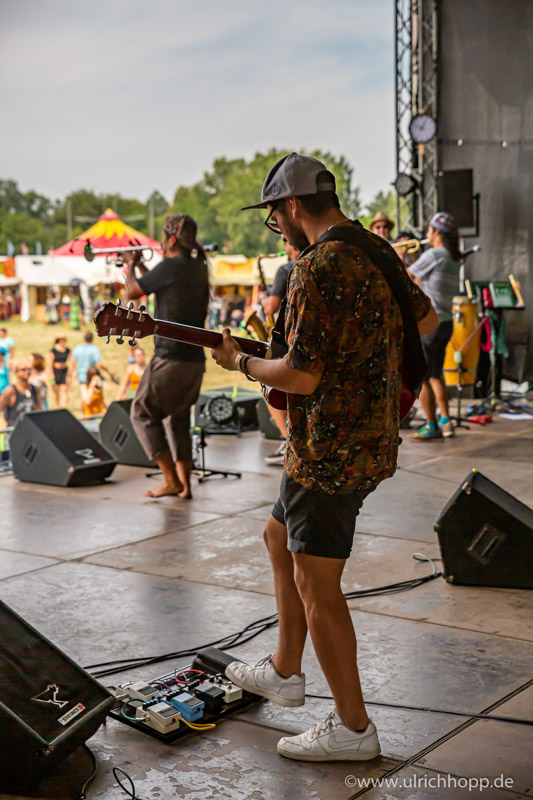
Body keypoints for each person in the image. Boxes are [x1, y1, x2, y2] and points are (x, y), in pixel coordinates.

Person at [212, 152, 437, 762]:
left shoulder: (314, 267)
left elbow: (301, 375)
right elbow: (426, 317)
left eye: (274, 215)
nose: (276, 226)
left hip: (330, 450)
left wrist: (241, 362)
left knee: (317, 583)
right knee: (277, 534)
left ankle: (354, 730)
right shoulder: (374, 247)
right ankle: (286, 668)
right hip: (367, 435)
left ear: (291, 205)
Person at [125, 214, 210, 499]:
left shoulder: (170, 266)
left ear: (172, 239)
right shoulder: (196, 266)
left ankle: (170, 480)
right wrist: (140, 266)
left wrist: (129, 265)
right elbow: (160, 282)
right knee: (178, 420)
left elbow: (133, 290)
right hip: (194, 360)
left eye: (163, 236)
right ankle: (185, 486)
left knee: (141, 412)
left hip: (170, 358)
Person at [408, 212, 461, 440]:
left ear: (437, 232)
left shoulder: (434, 254)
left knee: (421, 377)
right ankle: (446, 421)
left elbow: (406, 276)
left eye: (429, 230)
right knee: (436, 375)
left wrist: (400, 256)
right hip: (445, 322)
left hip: (429, 324)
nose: (427, 234)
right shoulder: (452, 258)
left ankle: (431, 426)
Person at [261, 242, 300, 467]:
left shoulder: (286, 269)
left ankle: (289, 442)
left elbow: (271, 307)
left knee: (269, 385)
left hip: (287, 341)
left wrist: (264, 299)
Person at [0, 358, 42, 427]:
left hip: (31, 428)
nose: (27, 372)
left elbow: (39, 409)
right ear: (16, 373)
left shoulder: (35, 389)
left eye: (29, 369)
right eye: (23, 370)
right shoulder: (10, 391)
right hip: (14, 429)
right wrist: (5, 422)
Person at [48, 336, 71, 408]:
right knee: (56, 391)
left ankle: (65, 407)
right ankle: (57, 406)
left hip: (64, 370)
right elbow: (50, 363)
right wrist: (51, 373)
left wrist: (69, 375)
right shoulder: (53, 350)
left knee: (65, 390)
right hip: (56, 371)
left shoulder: (67, 350)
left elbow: (71, 362)